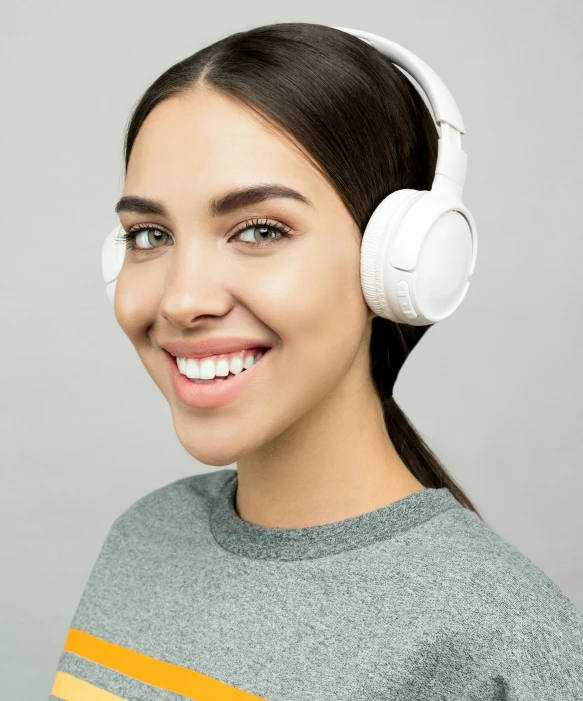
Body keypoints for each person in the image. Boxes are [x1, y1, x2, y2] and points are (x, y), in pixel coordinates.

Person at [49, 22, 583, 701]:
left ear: (398, 262)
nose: (182, 300)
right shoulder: (143, 538)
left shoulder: (498, 640)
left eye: (260, 230)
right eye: (149, 235)